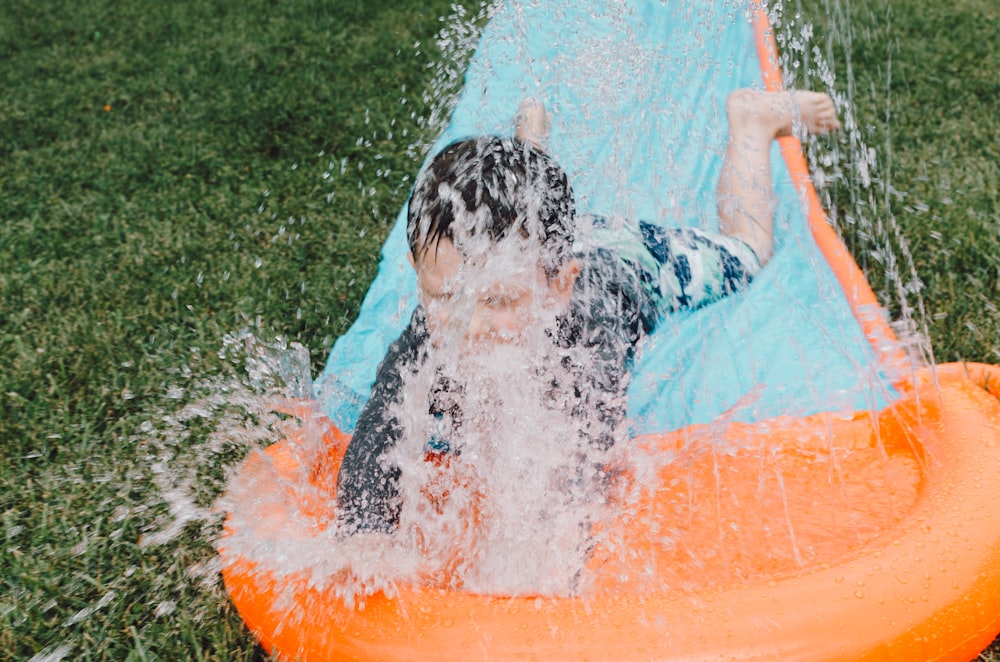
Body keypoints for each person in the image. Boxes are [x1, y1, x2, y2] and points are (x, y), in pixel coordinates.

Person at [336, 89, 841, 534]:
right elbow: (380, 429)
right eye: (445, 297)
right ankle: (527, 149)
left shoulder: (583, 340)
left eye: (495, 304)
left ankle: (752, 120)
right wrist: (364, 534)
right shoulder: (447, 312)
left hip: (623, 260)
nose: (467, 325)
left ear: (558, 290)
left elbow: (587, 463)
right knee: (518, 230)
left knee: (748, 255)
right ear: (418, 271)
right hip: (530, 256)